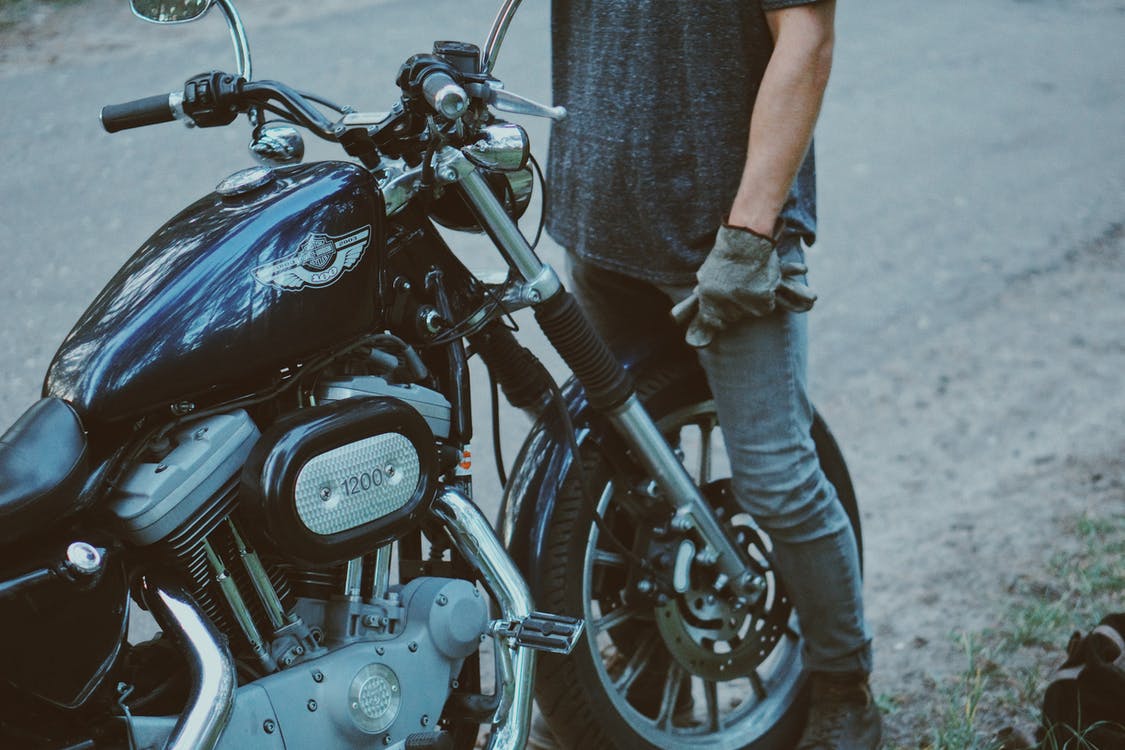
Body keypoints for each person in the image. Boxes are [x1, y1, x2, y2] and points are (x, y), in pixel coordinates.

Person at [533, 1, 880, 748]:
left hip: (722, 239)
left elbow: (808, 37)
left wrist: (751, 232)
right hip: (598, 227)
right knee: (624, 473)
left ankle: (842, 687)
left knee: (778, 479)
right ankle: (653, 668)